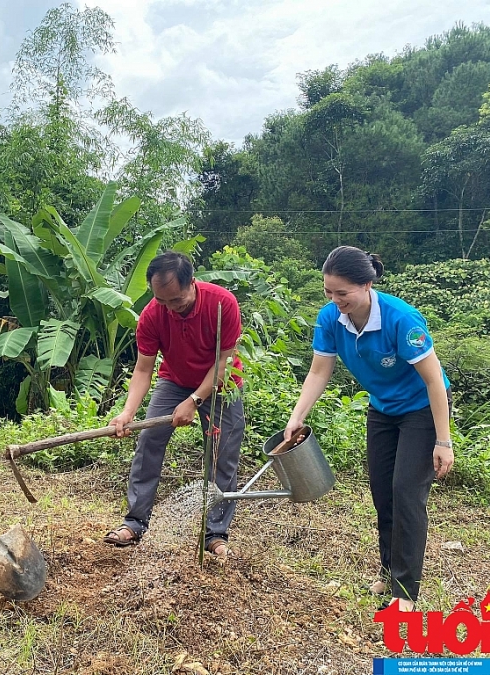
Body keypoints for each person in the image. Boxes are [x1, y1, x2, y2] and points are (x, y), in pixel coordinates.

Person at [285, 246, 452, 611]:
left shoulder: (401, 319)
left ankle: (405, 592)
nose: (334, 300)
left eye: (342, 293)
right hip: (383, 410)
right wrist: (297, 414)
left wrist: (443, 440)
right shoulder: (330, 318)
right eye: (328, 292)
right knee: (382, 492)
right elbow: (318, 371)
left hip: (422, 411)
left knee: (406, 492)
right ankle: (389, 572)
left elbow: (434, 382)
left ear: (366, 285)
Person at [103, 251, 245, 557]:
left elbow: (224, 362)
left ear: (192, 283)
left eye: (176, 300)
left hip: (222, 384)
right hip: (175, 380)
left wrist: (194, 401)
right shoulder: (153, 314)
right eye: (162, 301)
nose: (169, 308)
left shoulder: (222, 304)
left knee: (223, 452)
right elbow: (143, 369)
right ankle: (135, 522)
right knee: (149, 439)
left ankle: (215, 533)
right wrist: (127, 412)